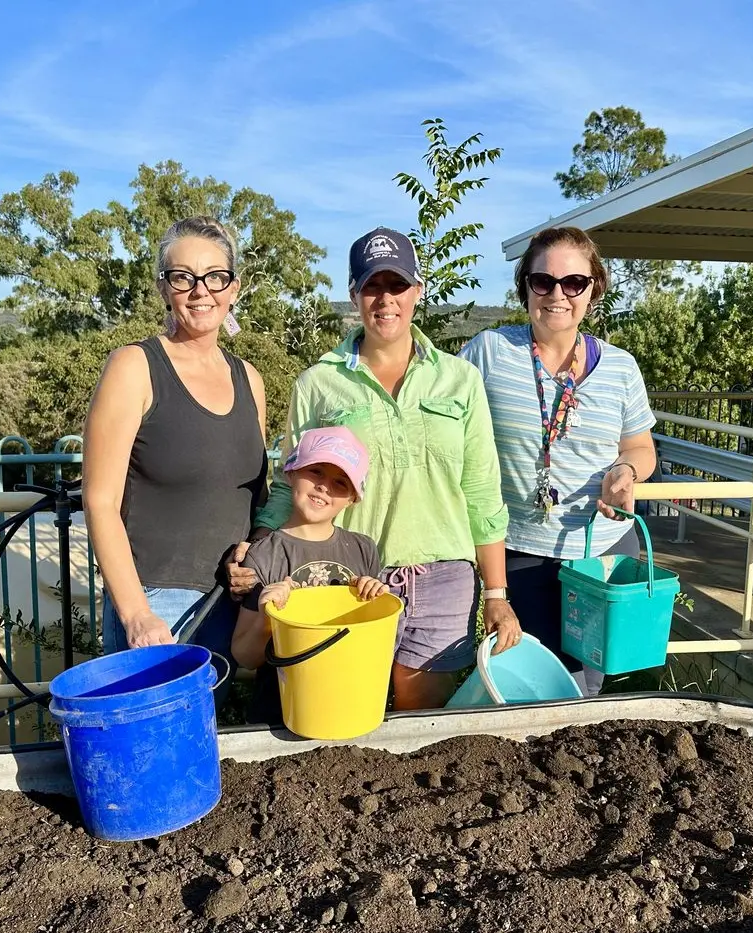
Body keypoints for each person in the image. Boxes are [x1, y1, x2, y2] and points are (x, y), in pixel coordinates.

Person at [237, 227, 518, 711]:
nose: (385, 299)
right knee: (340, 705)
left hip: (444, 576)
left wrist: (496, 593)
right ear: (354, 294)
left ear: (418, 291)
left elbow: (482, 493)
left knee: (420, 718)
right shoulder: (318, 383)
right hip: (348, 576)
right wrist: (258, 555)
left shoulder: (460, 379)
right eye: (372, 286)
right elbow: (290, 486)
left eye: (397, 285)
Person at [459, 226, 658, 693]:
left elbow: (641, 447)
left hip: (601, 553)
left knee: (588, 689)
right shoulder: (488, 353)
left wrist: (626, 471)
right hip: (519, 552)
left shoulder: (620, 367)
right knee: (524, 686)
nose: (557, 295)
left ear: (594, 289)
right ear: (525, 286)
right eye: (542, 281)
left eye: (574, 283)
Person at [82, 215, 269, 689]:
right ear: (165, 287)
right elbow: (100, 502)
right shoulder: (135, 367)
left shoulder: (250, 379)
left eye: (215, 277)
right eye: (183, 277)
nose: (200, 290)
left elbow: (257, 496)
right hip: (158, 608)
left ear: (235, 288)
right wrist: (137, 615)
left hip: (231, 603)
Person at [232, 426, 388, 725]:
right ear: (291, 471)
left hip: (350, 705)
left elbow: (370, 639)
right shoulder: (263, 554)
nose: (324, 487)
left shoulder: (362, 549)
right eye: (315, 471)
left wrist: (375, 597)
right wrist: (268, 617)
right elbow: (246, 656)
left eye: (340, 483)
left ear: (353, 498)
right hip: (283, 712)